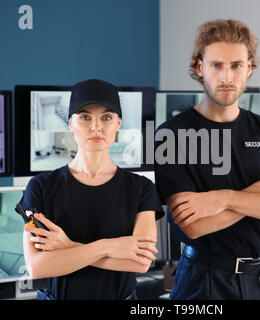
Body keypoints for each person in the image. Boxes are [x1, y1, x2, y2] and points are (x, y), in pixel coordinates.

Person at [154, 19, 260, 300]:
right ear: (199, 67)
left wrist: (223, 199)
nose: (227, 77)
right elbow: (193, 226)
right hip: (205, 281)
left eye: (236, 65)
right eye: (217, 65)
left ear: (249, 67)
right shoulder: (173, 135)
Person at [17, 79, 164, 300]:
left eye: (106, 117)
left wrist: (68, 247)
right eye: (85, 117)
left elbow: (140, 263)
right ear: (70, 124)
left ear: (118, 124)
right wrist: (108, 246)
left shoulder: (141, 188)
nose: (96, 127)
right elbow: (38, 267)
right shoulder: (41, 187)